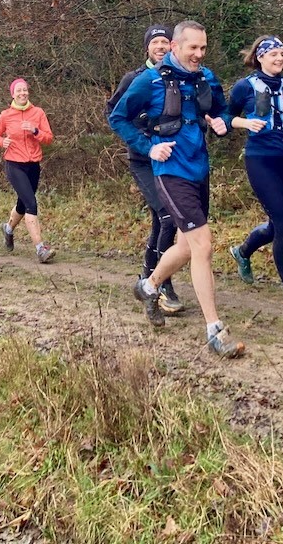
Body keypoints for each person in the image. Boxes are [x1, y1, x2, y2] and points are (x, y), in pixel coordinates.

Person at [109, 20, 244, 358]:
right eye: (192, 48)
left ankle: (149, 285)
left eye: (203, 48)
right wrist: (147, 146)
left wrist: (221, 122)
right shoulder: (150, 80)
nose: (199, 54)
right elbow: (118, 117)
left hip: (199, 167)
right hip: (170, 171)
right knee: (203, 246)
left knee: (185, 247)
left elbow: (221, 111)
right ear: (174, 47)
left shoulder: (206, 77)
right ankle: (215, 330)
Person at [226, 36, 283, 313]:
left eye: (282, 53)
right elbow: (224, 118)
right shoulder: (245, 87)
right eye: (274, 54)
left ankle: (242, 252)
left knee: (277, 224)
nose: (279, 58)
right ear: (260, 57)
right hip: (260, 160)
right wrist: (244, 122)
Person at [105, 25, 185, 314]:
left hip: (170, 160)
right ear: (147, 48)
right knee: (167, 217)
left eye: (166, 42)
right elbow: (112, 113)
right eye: (156, 42)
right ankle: (163, 284)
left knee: (160, 221)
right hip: (142, 160)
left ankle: (146, 277)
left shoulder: (177, 78)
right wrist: (141, 138)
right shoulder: (135, 78)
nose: (161, 46)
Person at [0, 78, 56, 263]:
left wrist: (36, 131)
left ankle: (8, 229)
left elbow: (49, 138)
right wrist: (1, 142)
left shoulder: (38, 112)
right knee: (31, 204)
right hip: (14, 164)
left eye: (25, 90)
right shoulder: (6, 115)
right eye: (18, 91)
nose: (22, 93)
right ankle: (40, 249)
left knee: (22, 203)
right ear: (13, 94)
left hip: (33, 165)